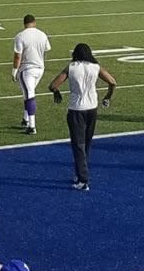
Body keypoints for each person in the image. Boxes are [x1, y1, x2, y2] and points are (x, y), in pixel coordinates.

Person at [48, 43, 117, 191]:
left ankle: (83, 179)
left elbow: (53, 85)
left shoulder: (71, 67)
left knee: (78, 145)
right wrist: (107, 97)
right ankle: (80, 172)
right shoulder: (95, 67)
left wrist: (56, 92)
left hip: (76, 109)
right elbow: (112, 82)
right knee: (86, 143)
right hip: (92, 108)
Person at [11, 15, 52, 135]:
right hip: (40, 69)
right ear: (34, 22)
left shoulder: (20, 36)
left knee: (29, 95)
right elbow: (46, 50)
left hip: (27, 69)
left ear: (24, 24)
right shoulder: (42, 34)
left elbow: (18, 55)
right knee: (28, 93)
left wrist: (14, 70)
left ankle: (32, 126)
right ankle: (26, 119)